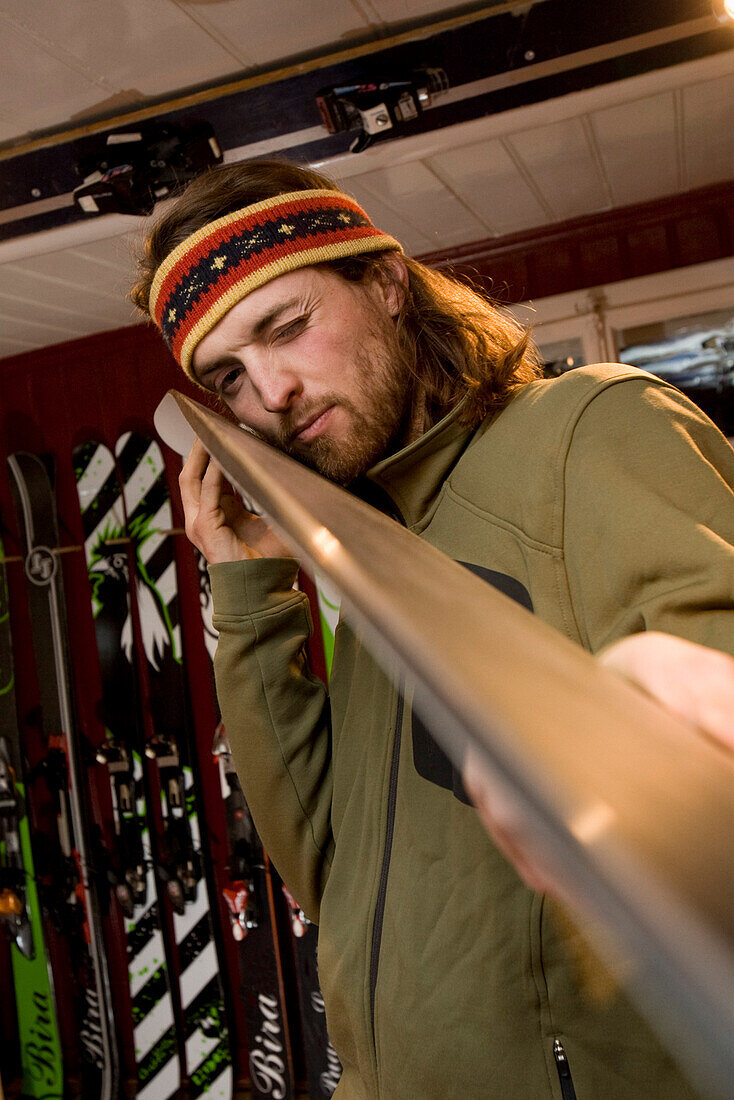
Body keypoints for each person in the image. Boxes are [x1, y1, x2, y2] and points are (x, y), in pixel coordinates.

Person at [132, 159, 734, 1099]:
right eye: (231, 377)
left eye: (286, 327)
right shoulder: (372, 547)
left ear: (385, 282)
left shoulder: (585, 430)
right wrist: (247, 593)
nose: (272, 395)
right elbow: (325, 879)